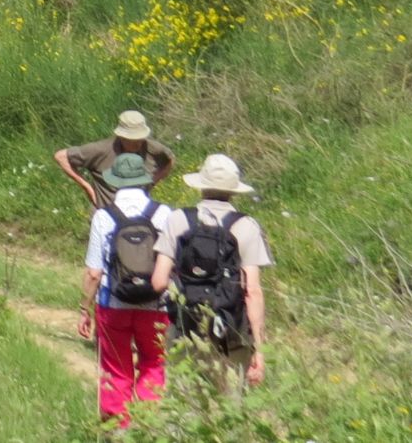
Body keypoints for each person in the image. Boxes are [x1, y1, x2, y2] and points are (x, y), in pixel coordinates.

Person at [153, 153, 273, 395]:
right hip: (231, 332)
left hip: (186, 329)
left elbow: (158, 282)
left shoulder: (178, 220)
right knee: (231, 404)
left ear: (201, 186)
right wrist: (259, 348)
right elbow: (252, 291)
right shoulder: (246, 226)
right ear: (234, 190)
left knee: (185, 403)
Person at [80, 151, 180, 425]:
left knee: (116, 368)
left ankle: (117, 429)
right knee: (153, 363)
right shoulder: (164, 214)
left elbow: (94, 272)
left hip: (113, 306)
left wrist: (84, 310)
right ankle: (148, 427)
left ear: (116, 182)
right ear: (144, 180)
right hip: (156, 305)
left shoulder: (104, 216)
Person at [55, 110, 174, 206]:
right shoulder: (100, 150)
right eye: (131, 140)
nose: (137, 143)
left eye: (140, 139)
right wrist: (87, 187)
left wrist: (153, 181)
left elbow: (170, 160)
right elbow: (61, 156)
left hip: (140, 217)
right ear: (121, 137)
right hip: (107, 217)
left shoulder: (153, 148)